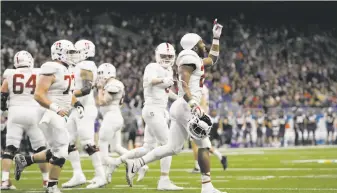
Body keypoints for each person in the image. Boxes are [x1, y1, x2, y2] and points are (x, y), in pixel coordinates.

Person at [124, 20, 226, 193]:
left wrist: (216, 38)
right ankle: (207, 187)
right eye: (201, 43)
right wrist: (193, 103)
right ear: (193, 46)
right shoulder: (188, 57)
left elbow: (213, 59)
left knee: (172, 148)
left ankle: (136, 163)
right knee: (204, 145)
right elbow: (183, 83)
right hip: (186, 105)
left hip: (182, 106)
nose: (204, 45)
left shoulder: (195, 58)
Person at [106, 43, 182, 190]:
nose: (166, 59)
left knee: (148, 147)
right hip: (152, 109)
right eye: (164, 56)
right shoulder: (152, 67)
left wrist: (180, 98)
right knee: (169, 145)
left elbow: (166, 92)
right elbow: (151, 81)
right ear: (157, 55)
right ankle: (163, 180)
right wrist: (162, 80)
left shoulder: (169, 70)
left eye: (169, 56)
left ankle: (116, 163)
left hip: (158, 110)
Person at [13, 40, 85, 193]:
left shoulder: (65, 70)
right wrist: (56, 108)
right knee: (62, 150)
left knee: (57, 148)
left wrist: (77, 103)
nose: (72, 56)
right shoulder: (51, 68)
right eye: (70, 52)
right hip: (49, 113)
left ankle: (25, 160)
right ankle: (51, 188)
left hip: (58, 113)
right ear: (60, 53)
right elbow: (38, 95)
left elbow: (66, 93)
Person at [1, 51, 49, 190]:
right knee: (40, 148)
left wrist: (4, 110)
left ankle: (4, 181)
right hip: (34, 111)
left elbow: (2, 95)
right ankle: (46, 180)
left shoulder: (9, 74)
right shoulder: (39, 73)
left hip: (15, 111)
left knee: (10, 148)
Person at [62, 40, 107, 188]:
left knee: (87, 143)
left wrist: (67, 93)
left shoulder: (86, 65)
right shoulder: (77, 66)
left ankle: (101, 176)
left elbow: (87, 88)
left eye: (76, 51)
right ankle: (78, 174)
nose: (73, 55)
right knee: (67, 141)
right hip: (75, 108)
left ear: (85, 51)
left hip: (85, 108)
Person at [95, 63, 129, 183]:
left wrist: (99, 89)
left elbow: (102, 102)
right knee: (116, 147)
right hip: (114, 117)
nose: (99, 77)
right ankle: (138, 163)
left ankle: (105, 173)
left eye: (100, 74)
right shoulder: (112, 84)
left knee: (102, 145)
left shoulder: (113, 84)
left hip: (112, 117)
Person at [190, 86, 227, 173]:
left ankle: (197, 167)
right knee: (204, 144)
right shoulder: (203, 87)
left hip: (199, 118)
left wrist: (198, 115)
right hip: (201, 117)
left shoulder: (200, 87)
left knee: (196, 144)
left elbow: (203, 103)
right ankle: (221, 157)